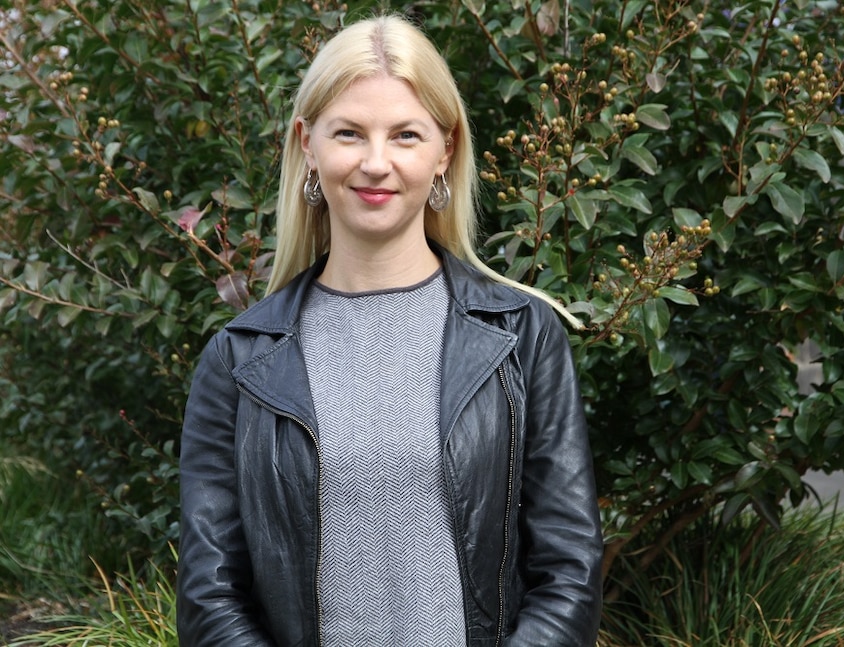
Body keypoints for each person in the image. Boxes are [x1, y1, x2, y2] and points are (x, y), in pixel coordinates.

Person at [177, 13, 603, 647]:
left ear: (445, 151)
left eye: (406, 135)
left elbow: (569, 568)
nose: (377, 163)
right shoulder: (239, 361)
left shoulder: (522, 337)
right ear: (308, 145)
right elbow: (211, 593)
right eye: (349, 133)